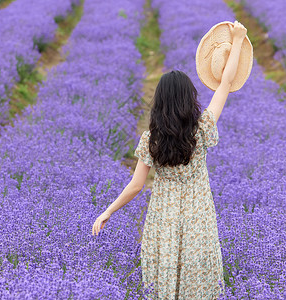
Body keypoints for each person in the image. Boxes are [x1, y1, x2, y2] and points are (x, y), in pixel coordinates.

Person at [92, 21, 247, 299]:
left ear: (159, 103)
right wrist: (237, 41)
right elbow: (225, 83)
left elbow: (136, 186)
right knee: (197, 282)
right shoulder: (202, 129)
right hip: (198, 218)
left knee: (164, 283)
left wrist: (108, 211)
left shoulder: (151, 140)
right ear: (190, 100)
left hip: (163, 220)